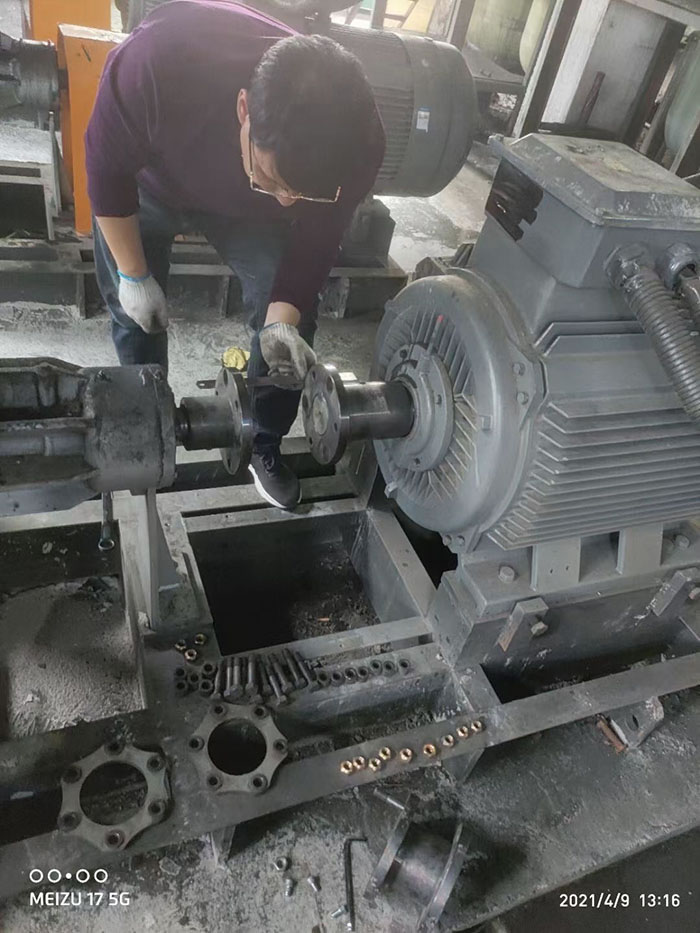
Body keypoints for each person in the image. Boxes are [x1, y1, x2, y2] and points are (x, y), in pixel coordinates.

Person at [85, 0, 385, 509]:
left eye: (301, 193)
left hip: (245, 210)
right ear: (244, 109)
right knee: (135, 315)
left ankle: (261, 441)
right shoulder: (155, 64)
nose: (288, 202)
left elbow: (317, 237)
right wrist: (133, 276)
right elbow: (105, 170)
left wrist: (281, 320)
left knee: (289, 320)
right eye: (273, 177)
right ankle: (145, 431)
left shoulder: (358, 140)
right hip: (150, 184)